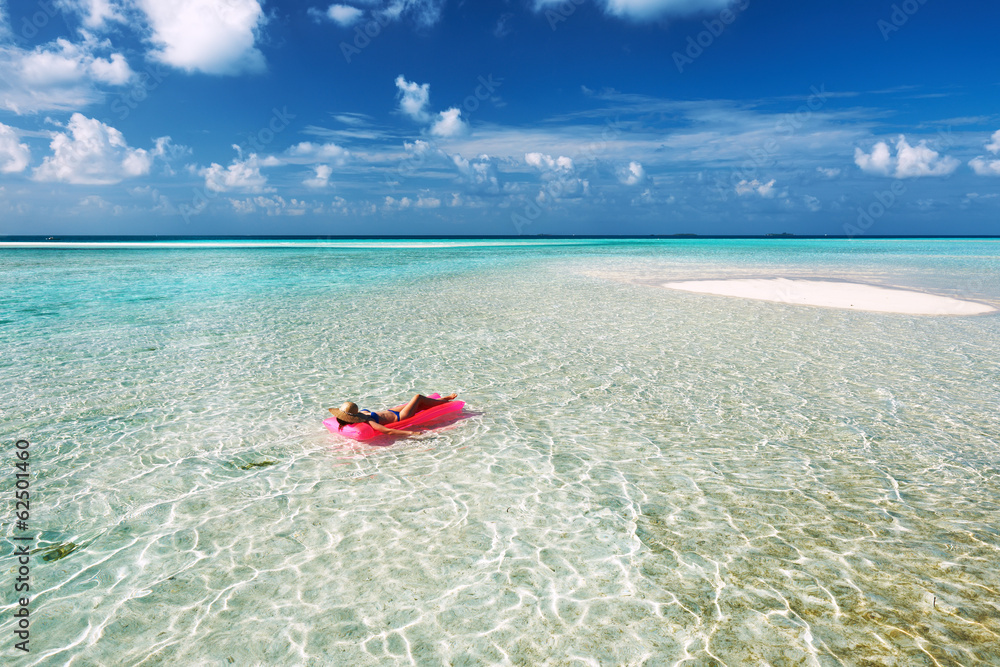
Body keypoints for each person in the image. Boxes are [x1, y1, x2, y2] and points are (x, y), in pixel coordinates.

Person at [328, 393, 458, 436]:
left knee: (422, 404)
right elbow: (387, 431)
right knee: (418, 398)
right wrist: (411, 433)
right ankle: (445, 400)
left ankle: (442, 400)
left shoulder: (360, 415)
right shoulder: (367, 422)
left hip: (391, 411)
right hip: (400, 416)